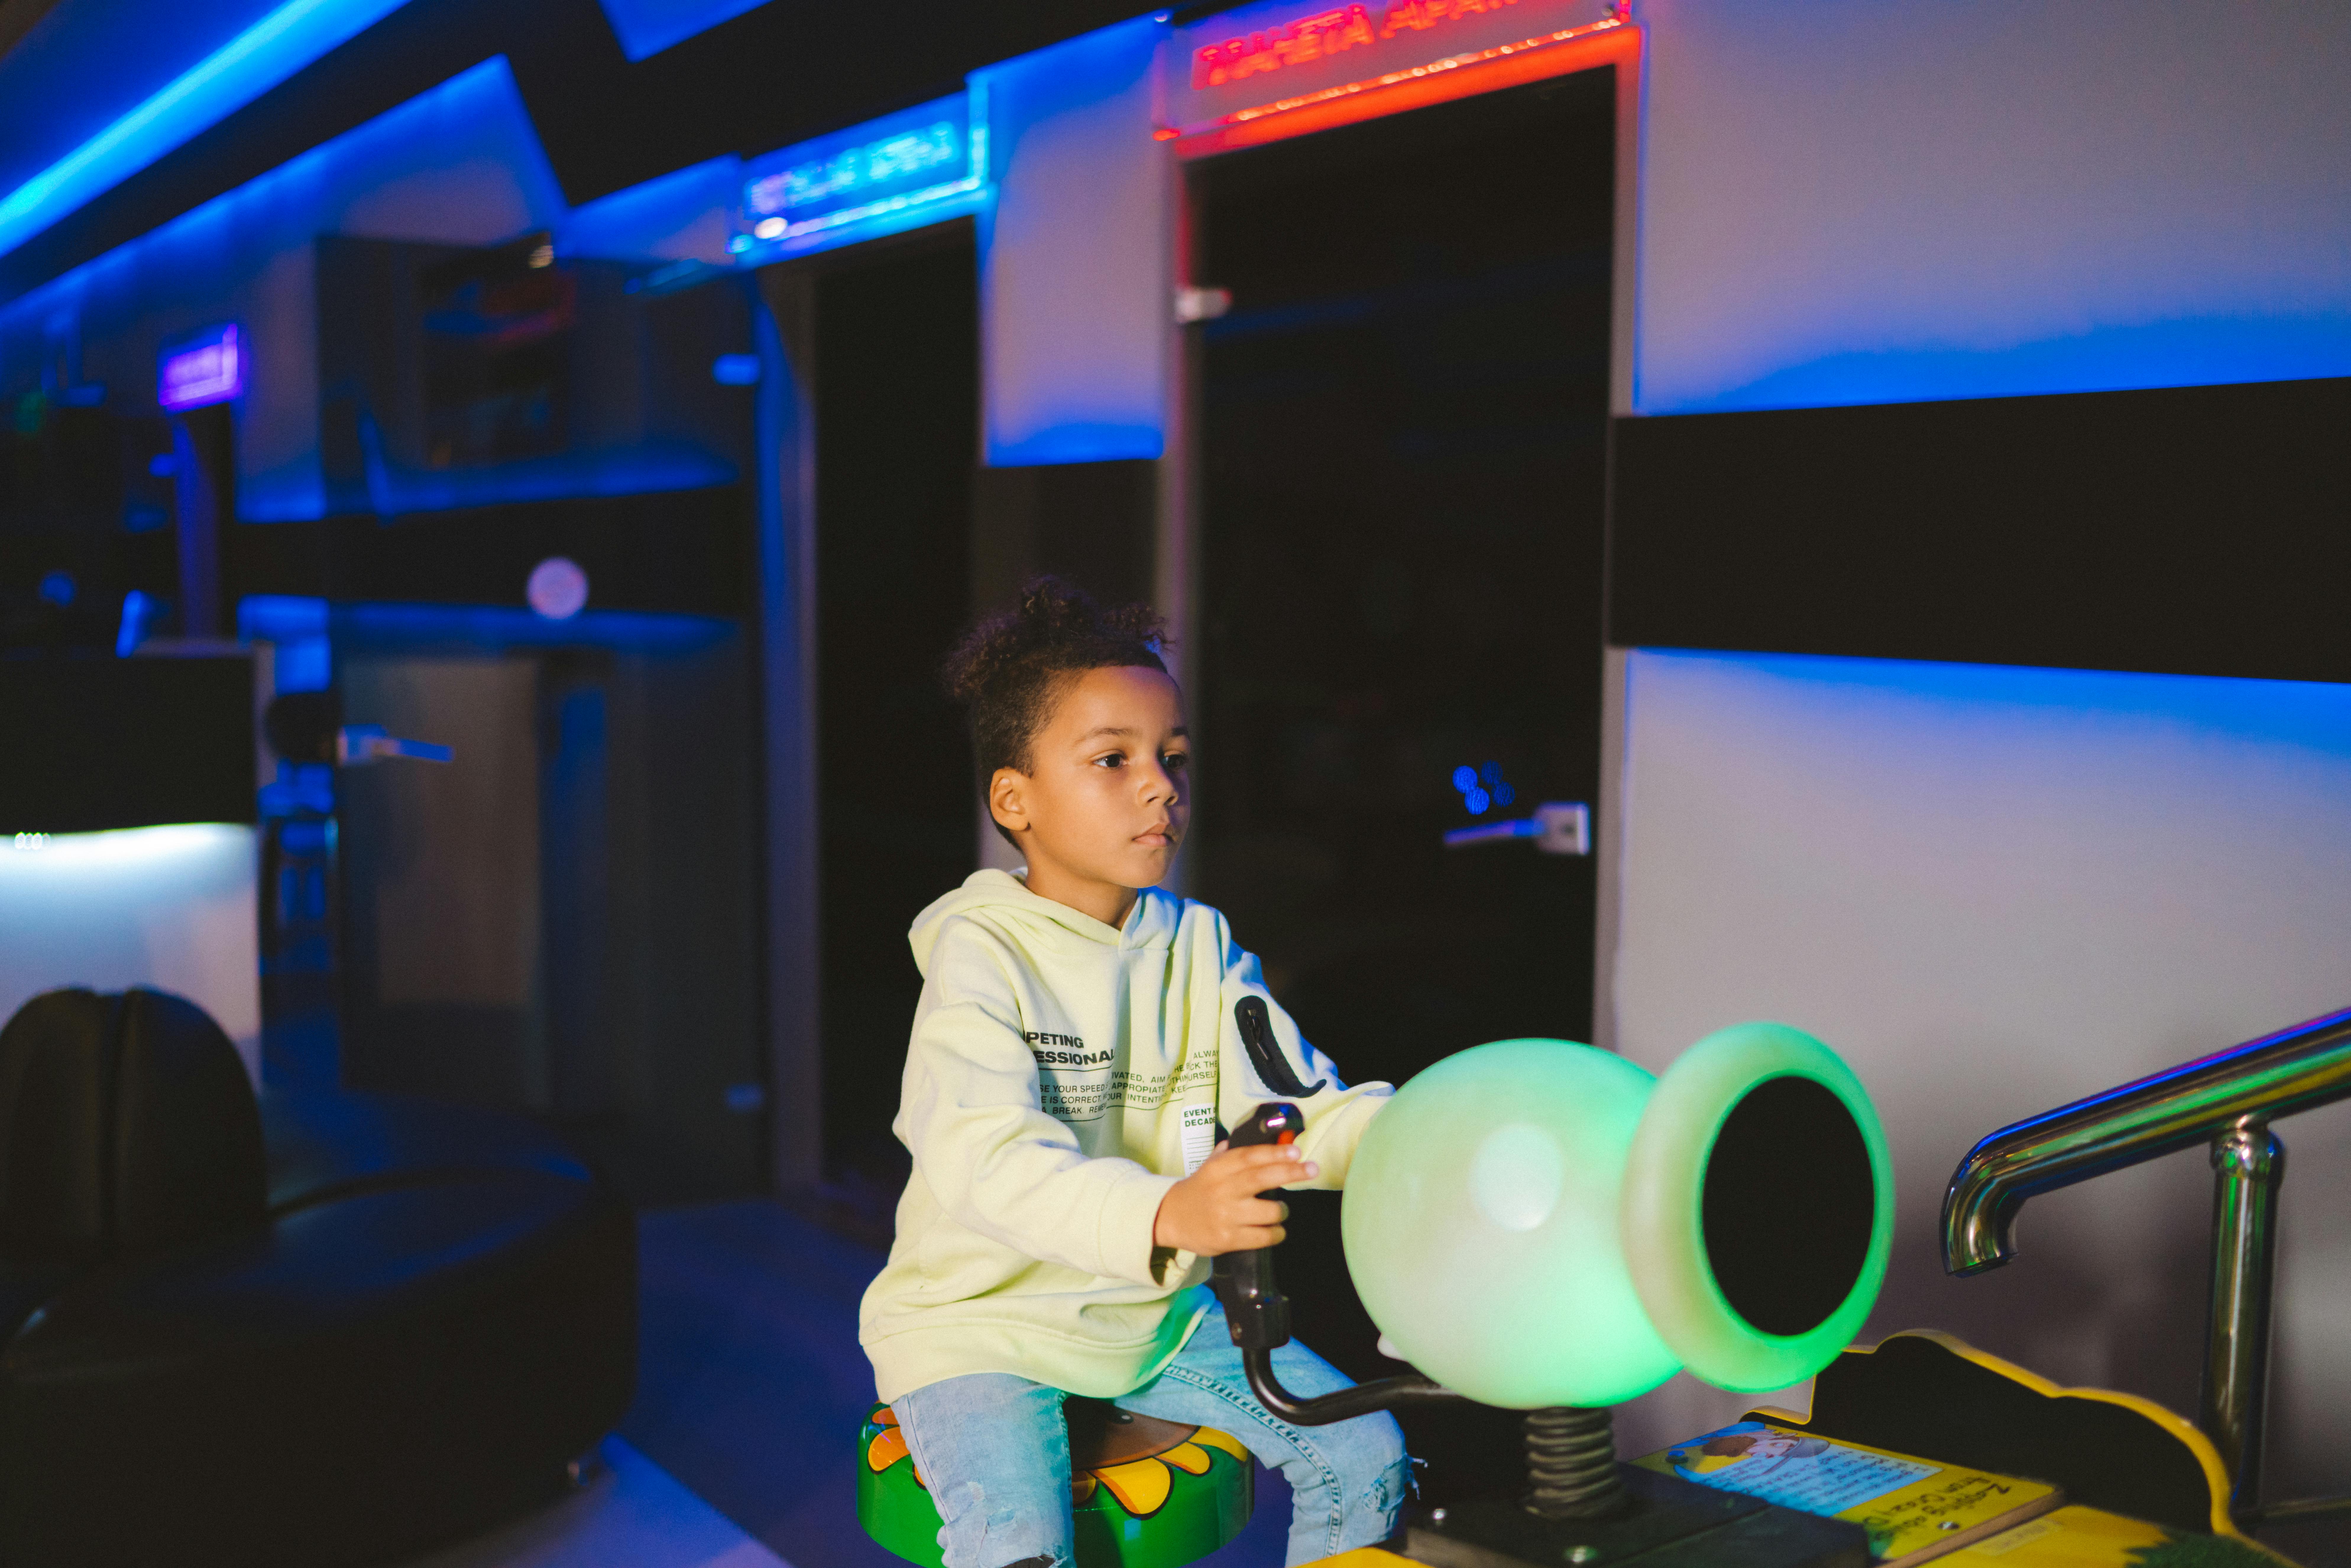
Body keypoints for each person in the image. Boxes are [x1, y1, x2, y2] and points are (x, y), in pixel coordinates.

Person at [859, 578, 1410, 1568]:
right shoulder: (980, 955)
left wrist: (1423, 1136)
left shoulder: (1200, 946)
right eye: (1114, 759)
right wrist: (1167, 1213)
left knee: (1367, 1451)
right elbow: (984, 1157)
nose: (1161, 786)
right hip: (980, 1323)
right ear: (1014, 800)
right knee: (1019, 1543)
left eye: (1173, 758)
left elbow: (1301, 1109)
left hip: (1154, 1320)